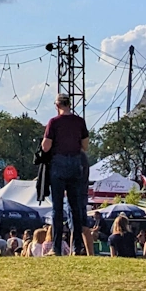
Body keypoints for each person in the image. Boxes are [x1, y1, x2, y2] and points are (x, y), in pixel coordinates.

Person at [42, 94, 89, 257]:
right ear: (70, 104)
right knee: (75, 207)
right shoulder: (79, 121)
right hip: (75, 164)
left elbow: (46, 146)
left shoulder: (53, 123)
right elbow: (85, 145)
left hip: (58, 165)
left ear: (57, 106)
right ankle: (77, 247)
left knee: (57, 208)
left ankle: (56, 248)